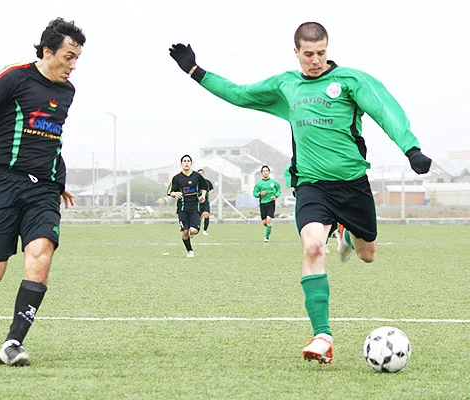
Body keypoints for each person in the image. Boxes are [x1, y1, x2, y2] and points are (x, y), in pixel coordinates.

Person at [169, 22, 432, 364]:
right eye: (308, 54)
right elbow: (240, 93)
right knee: (311, 247)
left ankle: (348, 237)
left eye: (321, 53)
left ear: (328, 49)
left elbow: (385, 109)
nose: (315, 60)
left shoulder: (350, 81)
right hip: (311, 185)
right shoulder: (287, 85)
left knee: (368, 255)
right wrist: (195, 71)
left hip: (352, 185)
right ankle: (322, 335)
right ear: (296, 52)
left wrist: (411, 149)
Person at [0, 17, 83, 366]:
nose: (73, 65)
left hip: (43, 189)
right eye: (69, 56)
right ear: (47, 51)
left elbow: (52, 140)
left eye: (77, 59)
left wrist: (59, 180)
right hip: (3, 183)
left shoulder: (67, 92)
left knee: (40, 256)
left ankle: (13, 343)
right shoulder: (14, 77)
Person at [168, 155, 207, 257]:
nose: (186, 163)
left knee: (194, 230)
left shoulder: (197, 176)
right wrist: (175, 194)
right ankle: (190, 251)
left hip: (195, 207)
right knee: (184, 232)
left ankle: (192, 231)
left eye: (188, 161)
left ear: (191, 163)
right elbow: (170, 192)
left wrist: (203, 195)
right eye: (184, 161)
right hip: (182, 208)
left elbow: (204, 187)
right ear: (181, 164)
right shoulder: (176, 178)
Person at [252, 165, 281, 242]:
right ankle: (269, 226)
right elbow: (254, 193)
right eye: (264, 171)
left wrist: (276, 196)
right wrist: (260, 194)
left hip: (271, 203)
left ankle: (266, 237)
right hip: (262, 203)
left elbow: (279, 190)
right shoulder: (259, 184)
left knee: (268, 219)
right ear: (261, 173)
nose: (265, 172)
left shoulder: (273, 182)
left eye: (266, 171)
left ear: (269, 172)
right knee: (264, 222)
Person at [196, 168, 214, 235]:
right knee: (198, 217)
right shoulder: (195, 182)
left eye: (202, 173)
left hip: (205, 202)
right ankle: (196, 229)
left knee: (206, 215)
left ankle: (205, 230)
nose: (201, 175)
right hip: (197, 202)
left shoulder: (207, 182)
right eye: (199, 173)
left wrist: (209, 193)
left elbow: (212, 189)